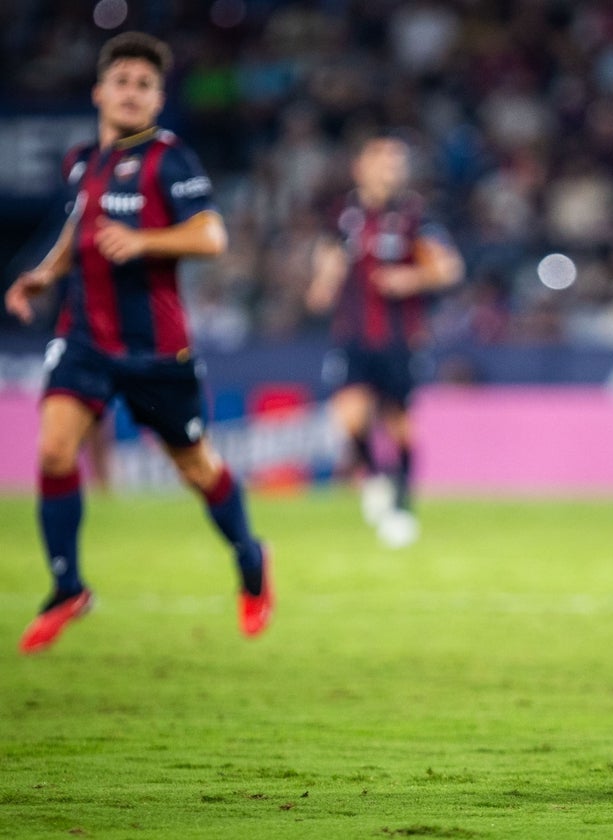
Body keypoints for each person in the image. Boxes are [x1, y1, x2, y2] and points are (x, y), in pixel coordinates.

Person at [4, 32, 273, 654]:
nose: (131, 93)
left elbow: (212, 236)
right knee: (52, 451)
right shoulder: (83, 161)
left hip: (156, 352)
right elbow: (83, 225)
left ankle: (251, 556)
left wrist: (146, 241)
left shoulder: (169, 159)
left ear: (157, 100)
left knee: (196, 467)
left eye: (144, 85)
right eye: (121, 81)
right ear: (99, 92)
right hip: (84, 341)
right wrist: (46, 273)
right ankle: (67, 585)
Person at [306, 135, 464, 548]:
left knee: (400, 424)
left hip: (400, 336)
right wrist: (322, 282)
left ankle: (403, 503)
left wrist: (412, 277)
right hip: (352, 333)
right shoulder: (343, 214)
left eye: (397, 163)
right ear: (361, 166)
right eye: (382, 161)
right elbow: (330, 254)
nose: (390, 170)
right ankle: (375, 478)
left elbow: (449, 268)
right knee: (349, 415)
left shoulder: (415, 216)